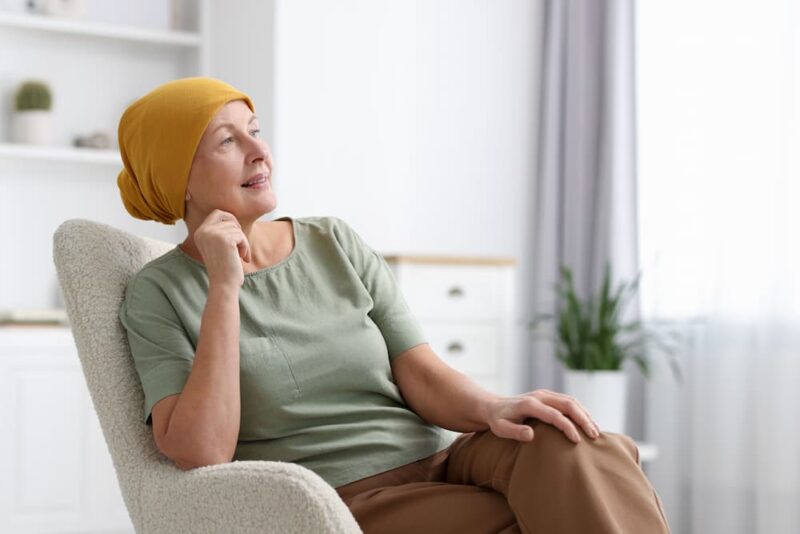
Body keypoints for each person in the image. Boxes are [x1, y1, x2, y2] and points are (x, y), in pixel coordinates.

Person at [116, 77, 671, 533]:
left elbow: (420, 371)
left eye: (255, 132)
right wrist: (224, 287)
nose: (260, 151)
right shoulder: (159, 293)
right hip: (351, 499)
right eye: (227, 141)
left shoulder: (333, 241)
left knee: (575, 442)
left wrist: (496, 408)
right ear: (178, 177)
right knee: (552, 510)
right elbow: (203, 452)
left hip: (447, 460)